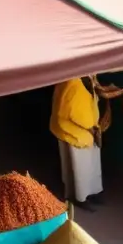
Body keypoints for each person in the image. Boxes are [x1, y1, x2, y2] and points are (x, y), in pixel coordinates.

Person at [51, 76, 103, 208]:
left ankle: (88, 193)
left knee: (81, 167)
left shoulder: (72, 80)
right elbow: (78, 115)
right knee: (82, 169)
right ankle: (81, 198)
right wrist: (92, 129)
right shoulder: (75, 86)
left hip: (75, 131)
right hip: (77, 134)